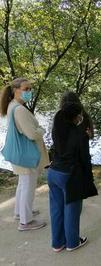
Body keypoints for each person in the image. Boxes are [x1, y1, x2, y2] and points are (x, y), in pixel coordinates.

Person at [47, 101, 97, 252]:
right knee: (72, 209)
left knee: (56, 209)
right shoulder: (79, 134)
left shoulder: (57, 130)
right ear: (76, 116)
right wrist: (89, 179)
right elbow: (85, 159)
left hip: (53, 172)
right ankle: (73, 242)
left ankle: (57, 243)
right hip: (69, 176)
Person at [0, 78, 49, 231]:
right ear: (16, 90)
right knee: (28, 186)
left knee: (23, 185)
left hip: (20, 154)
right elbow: (32, 134)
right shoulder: (20, 109)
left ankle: (20, 213)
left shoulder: (13, 106)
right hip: (27, 155)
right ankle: (26, 222)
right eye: (26, 89)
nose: (29, 91)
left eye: (30, 88)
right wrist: (42, 129)